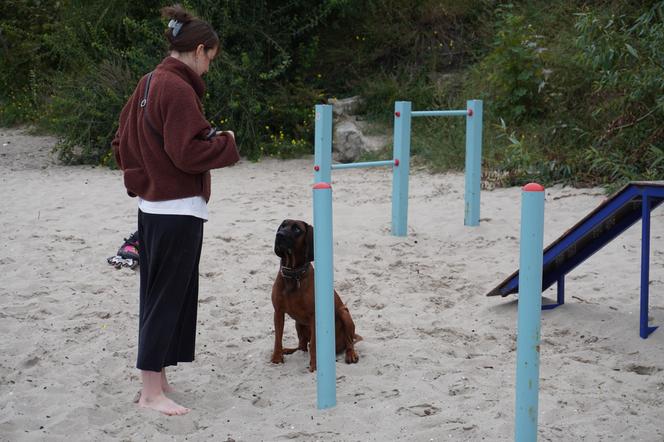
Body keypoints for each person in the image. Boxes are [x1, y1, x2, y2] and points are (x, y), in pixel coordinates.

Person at [111, 4, 239, 416]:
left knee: (161, 294)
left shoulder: (148, 82)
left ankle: (157, 379)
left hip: (153, 208)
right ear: (199, 50)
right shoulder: (177, 88)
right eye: (209, 61)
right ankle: (150, 392)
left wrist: (142, 178)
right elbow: (187, 152)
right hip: (176, 209)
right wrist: (228, 143)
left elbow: (121, 143)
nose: (208, 70)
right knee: (167, 297)